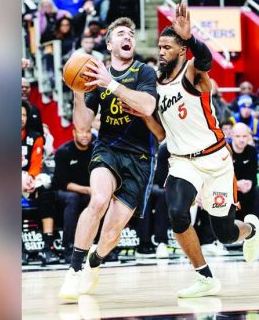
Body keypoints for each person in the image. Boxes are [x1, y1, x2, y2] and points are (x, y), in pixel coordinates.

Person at [133, 2, 259, 298]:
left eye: (167, 46)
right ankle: (205, 278)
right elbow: (163, 133)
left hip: (215, 160)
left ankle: (250, 230)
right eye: (159, 46)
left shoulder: (192, 72)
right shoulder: (156, 85)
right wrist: (144, 114)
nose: (161, 51)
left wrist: (190, 38)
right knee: (177, 213)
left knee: (225, 234)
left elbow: (204, 60)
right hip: (182, 162)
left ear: (180, 50)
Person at [58, 17, 158, 301]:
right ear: (110, 44)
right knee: (99, 200)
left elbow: (148, 106)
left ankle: (95, 261)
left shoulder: (144, 71)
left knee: (113, 231)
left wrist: (110, 83)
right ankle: (74, 270)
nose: (128, 37)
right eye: (121, 34)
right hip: (108, 148)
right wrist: (78, 94)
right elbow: (82, 126)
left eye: (131, 34)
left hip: (140, 156)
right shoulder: (94, 78)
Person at [22, 102, 59, 264]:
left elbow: (36, 163)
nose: (21, 118)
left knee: (47, 194)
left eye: (23, 115)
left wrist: (30, 178)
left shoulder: (35, 136)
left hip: (30, 180)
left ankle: (47, 247)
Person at [53, 128, 94, 262]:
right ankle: (68, 247)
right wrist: (88, 190)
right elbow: (63, 183)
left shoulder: (96, 151)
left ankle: (96, 246)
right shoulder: (63, 152)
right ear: (74, 133)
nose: (85, 135)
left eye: (87, 132)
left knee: (99, 200)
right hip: (64, 192)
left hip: (87, 191)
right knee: (73, 198)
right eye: (81, 132)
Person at [230, 123, 259, 255]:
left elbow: (253, 177)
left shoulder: (251, 151)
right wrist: (236, 184)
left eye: (245, 136)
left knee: (258, 191)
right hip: (230, 192)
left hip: (246, 192)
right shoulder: (226, 151)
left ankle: (254, 232)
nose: (242, 139)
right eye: (238, 136)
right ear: (232, 135)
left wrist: (249, 183)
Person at [135, 143, 171, 258]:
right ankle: (144, 243)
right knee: (145, 197)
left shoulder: (166, 148)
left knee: (163, 196)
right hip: (141, 186)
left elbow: (164, 173)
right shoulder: (138, 145)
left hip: (161, 186)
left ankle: (162, 242)